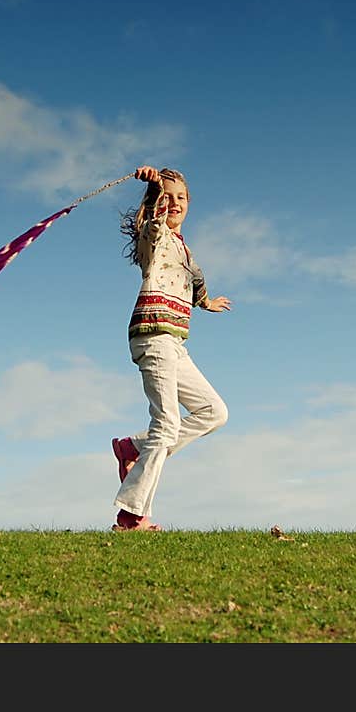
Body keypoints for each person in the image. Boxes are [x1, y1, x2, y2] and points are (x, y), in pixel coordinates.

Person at [111, 165, 231, 532]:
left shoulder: (183, 248)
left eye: (181, 197)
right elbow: (155, 222)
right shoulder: (155, 235)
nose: (175, 202)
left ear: (190, 203)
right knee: (166, 425)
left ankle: (133, 448)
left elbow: (193, 279)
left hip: (175, 342)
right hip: (152, 334)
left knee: (214, 412)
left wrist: (206, 302)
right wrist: (154, 190)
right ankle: (130, 517)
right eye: (169, 196)